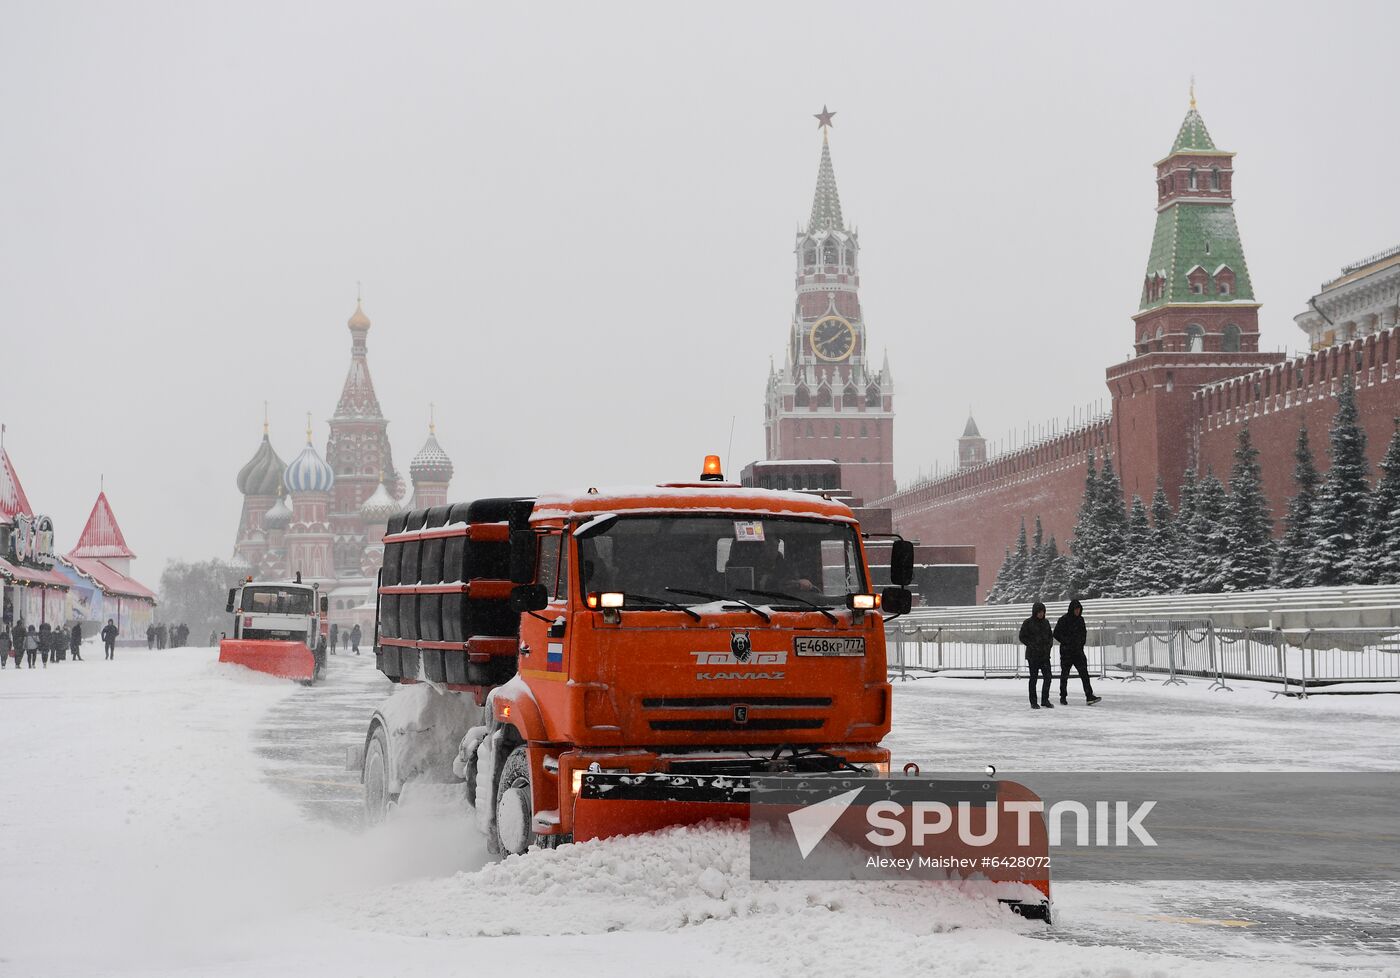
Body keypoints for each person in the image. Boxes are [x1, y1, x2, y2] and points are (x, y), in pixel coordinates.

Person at [1053, 599, 1102, 706]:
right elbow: (1056, 633)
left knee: (1084, 674)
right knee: (1065, 675)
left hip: (1078, 651)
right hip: (1066, 652)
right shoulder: (1063, 619)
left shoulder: (1080, 620)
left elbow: (1083, 633)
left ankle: (1089, 695)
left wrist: (1080, 643)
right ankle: (1063, 696)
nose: (1077, 611)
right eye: (1076, 609)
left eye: (1079, 609)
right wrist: (1067, 642)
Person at [1018, 601, 1054, 710]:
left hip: (1044, 655)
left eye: (1043, 612)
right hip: (1033, 655)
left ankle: (1045, 699)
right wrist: (1032, 644)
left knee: (1048, 677)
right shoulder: (1028, 623)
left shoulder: (1046, 623)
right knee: (1033, 678)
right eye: (1039, 612)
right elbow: (1022, 637)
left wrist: (1048, 647)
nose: (1041, 614)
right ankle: (1033, 701)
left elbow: (1050, 637)